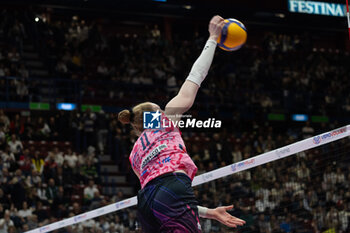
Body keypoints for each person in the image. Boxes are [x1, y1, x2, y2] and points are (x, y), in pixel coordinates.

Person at [118, 15, 246, 233]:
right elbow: (196, 76)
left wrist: (209, 212)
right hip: (173, 188)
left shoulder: (134, 155)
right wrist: (213, 38)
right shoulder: (164, 120)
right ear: (155, 115)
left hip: (147, 203)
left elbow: (160, 197)